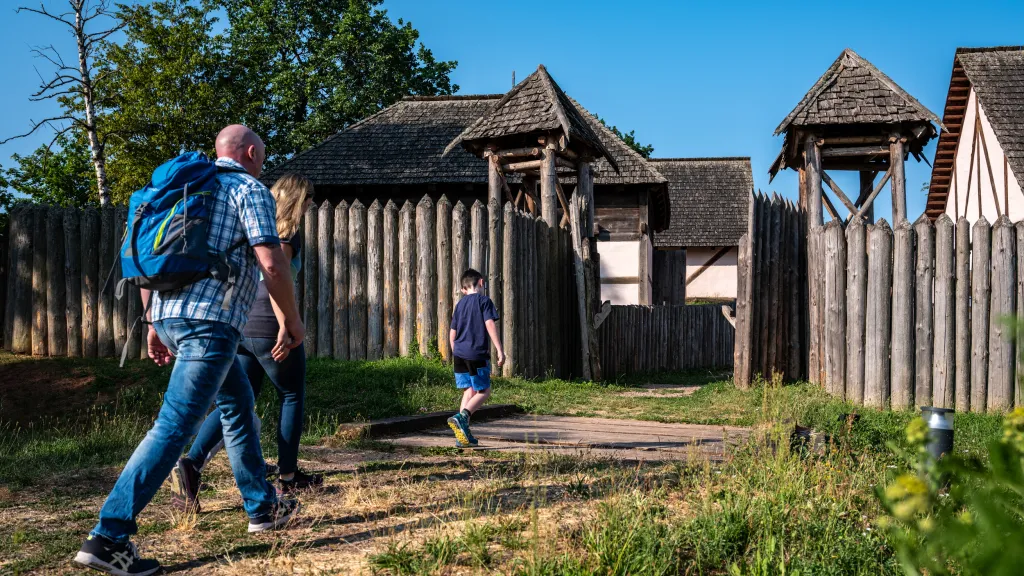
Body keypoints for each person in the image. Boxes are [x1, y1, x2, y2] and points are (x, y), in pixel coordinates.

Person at [74, 125, 305, 576]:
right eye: (262, 156)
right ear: (251, 153)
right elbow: (272, 262)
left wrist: (153, 324)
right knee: (174, 425)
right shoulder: (247, 189)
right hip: (210, 324)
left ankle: (261, 507)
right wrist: (290, 320)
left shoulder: (178, 189)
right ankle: (108, 536)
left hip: (172, 318)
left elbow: (141, 260)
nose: (262, 164)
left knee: (238, 404)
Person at [170, 173, 323, 514]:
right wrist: (286, 324)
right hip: (270, 323)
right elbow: (275, 275)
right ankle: (288, 475)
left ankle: (192, 464)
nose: (311, 204)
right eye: (310, 198)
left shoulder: (255, 229)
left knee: (240, 399)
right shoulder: (287, 233)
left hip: (242, 322)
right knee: (291, 395)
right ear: (300, 199)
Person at [447, 268, 505, 447]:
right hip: (476, 354)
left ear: (463, 289)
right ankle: (462, 416)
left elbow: (452, 332)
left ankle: (462, 437)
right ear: (481, 282)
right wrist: (500, 350)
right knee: (484, 391)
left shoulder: (459, 305)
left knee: (468, 391)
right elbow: (489, 325)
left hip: (459, 354)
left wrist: (456, 351)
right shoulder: (484, 301)